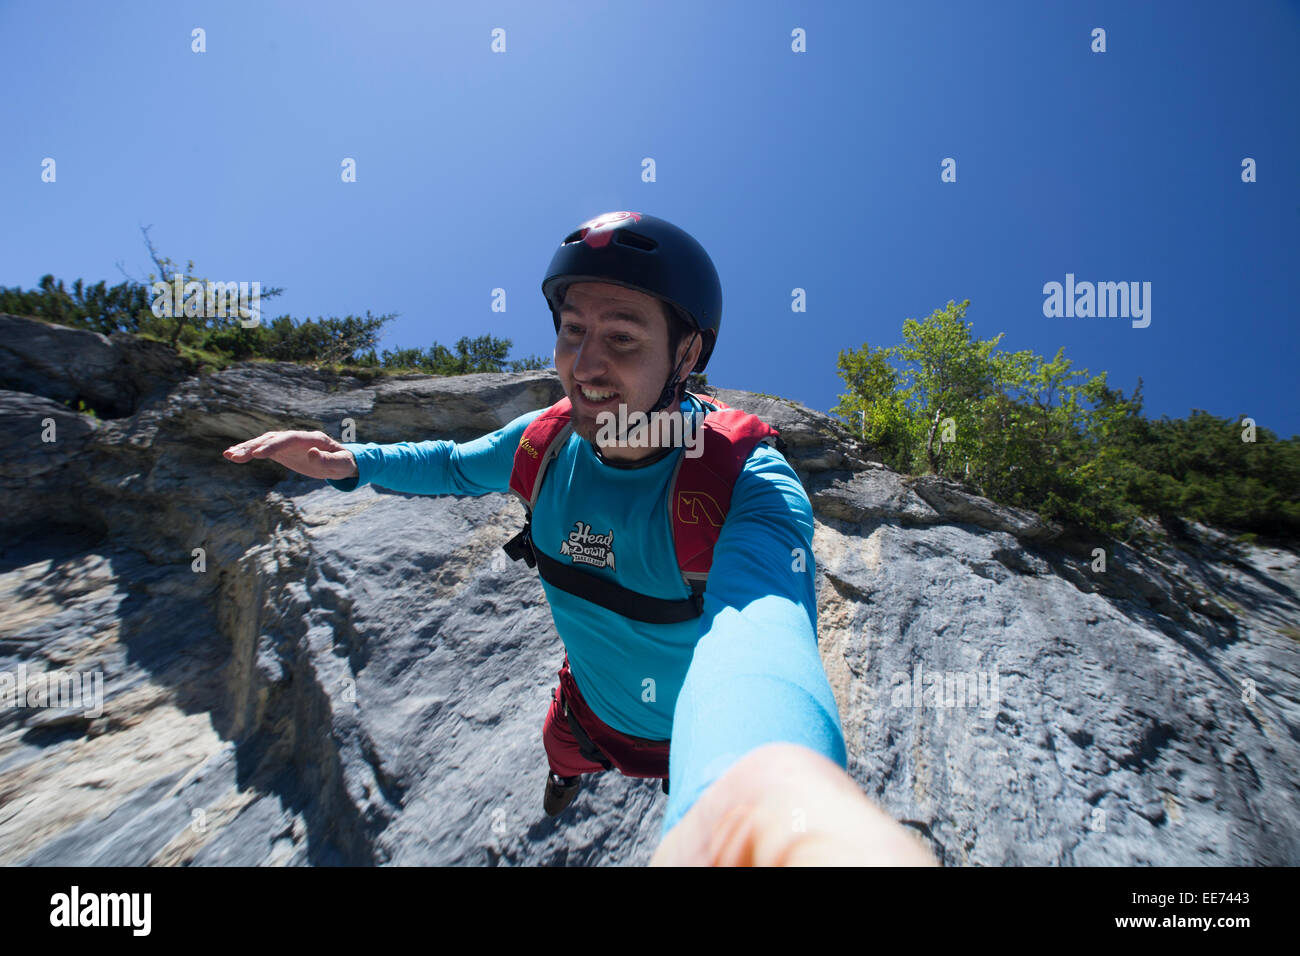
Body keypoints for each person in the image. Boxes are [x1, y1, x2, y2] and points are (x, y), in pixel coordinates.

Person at [223, 211, 937, 866]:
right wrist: (348, 463)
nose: (586, 365)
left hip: (690, 739)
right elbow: (448, 462)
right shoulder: (542, 443)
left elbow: (764, 630)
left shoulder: (741, 480)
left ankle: (641, 786)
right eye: (573, 331)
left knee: (654, 777)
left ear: (686, 355)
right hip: (583, 714)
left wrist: (754, 794)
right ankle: (564, 780)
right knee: (560, 756)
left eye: (622, 337)